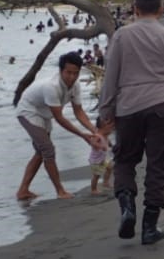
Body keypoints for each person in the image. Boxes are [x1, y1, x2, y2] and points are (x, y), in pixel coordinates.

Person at [98, 0, 164, 245]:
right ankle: (149, 226)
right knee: (160, 163)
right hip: (161, 106)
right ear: (160, 9)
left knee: (124, 160)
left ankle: (127, 207)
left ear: (135, 9)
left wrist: (105, 112)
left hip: (128, 108)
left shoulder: (121, 36)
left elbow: (110, 76)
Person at [14, 52, 100, 201]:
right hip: (28, 111)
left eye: (76, 73)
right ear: (60, 71)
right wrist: (83, 135)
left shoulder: (75, 85)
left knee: (41, 152)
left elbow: (79, 112)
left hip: (44, 114)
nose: (72, 77)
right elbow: (59, 118)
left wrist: (94, 131)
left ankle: (23, 191)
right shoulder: (51, 87)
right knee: (48, 150)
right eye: (68, 72)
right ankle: (60, 191)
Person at [89, 121, 114, 196]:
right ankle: (93, 189)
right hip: (97, 160)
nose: (112, 130)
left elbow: (108, 143)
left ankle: (105, 182)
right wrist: (100, 146)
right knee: (96, 175)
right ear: (103, 127)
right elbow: (92, 143)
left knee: (109, 168)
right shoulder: (97, 136)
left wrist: (111, 146)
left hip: (104, 158)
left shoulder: (105, 136)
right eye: (110, 128)